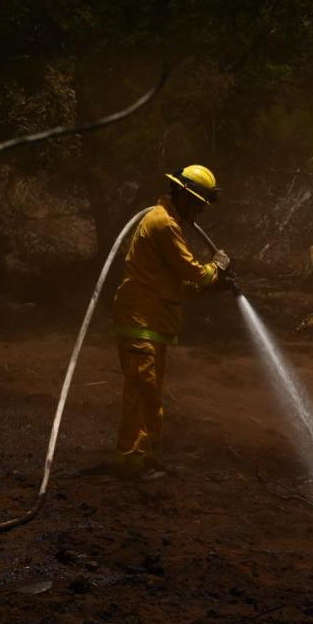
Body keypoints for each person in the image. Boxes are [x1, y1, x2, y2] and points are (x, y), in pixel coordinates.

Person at [111, 164, 233, 479]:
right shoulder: (163, 224)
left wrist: (210, 288)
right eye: (195, 204)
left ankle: (145, 457)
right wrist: (216, 268)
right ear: (181, 196)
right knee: (142, 391)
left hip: (153, 321)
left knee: (149, 393)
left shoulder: (167, 222)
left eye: (200, 206)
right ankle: (132, 461)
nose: (197, 212)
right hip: (141, 318)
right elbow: (193, 271)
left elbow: (173, 282)